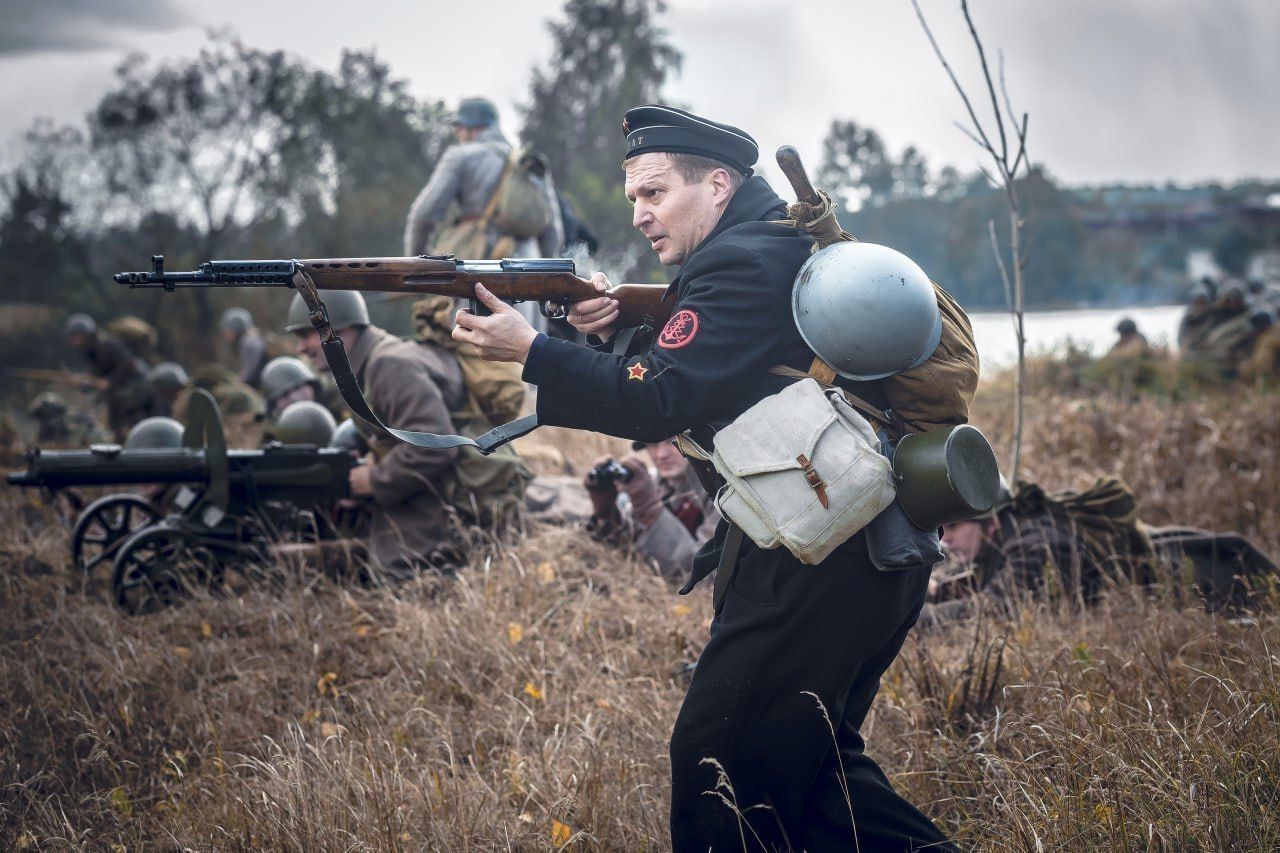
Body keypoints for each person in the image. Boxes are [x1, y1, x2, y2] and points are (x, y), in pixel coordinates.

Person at [450, 104, 951, 851]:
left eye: (655, 194)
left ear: (718, 184)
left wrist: (532, 350)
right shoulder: (764, 247)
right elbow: (711, 368)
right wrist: (615, 327)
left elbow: (660, 394)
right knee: (808, 774)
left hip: (817, 557)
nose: (642, 216)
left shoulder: (741, 261)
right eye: (633, 200)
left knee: (719, 759)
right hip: (852, 546)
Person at [285, 289, 468, 581]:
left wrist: (374, 479)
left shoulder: (389, 365)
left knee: (395, 571)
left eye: (305, 335)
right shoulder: (367, 365)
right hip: (432, 487)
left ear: (340, 330)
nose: (300, 348)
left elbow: (436, 445)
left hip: (454, 495)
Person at [931, 477, 1277, 622]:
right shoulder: (1009, 533)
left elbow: (995, 608)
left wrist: (915, 620)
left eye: (955, 528)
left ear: (991, 520)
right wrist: (932, 593)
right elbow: (989, 582)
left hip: (1204, 581)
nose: (945, 540)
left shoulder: (1036, 546)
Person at [402, 96, 563, 332]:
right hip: (528, 276)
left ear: (470, 129)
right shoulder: (529, 163)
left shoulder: (461, 156)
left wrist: (415, 271)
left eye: (459, 128)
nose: (458, 134)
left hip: (478, 270)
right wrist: (543, 285)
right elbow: (552, 234)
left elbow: (424, 214)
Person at [586, 439, 719, 582]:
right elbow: (630, 553)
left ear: (696, 441)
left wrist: (650, 510)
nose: (661, 455)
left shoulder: (722, 493)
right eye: (653, 444)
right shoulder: (654, 485)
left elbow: (709, 574)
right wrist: (606, 514)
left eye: (673, 442)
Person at [64, 313, 149, 441]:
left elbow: (128, 364)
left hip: (135, 391)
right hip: (117, 399)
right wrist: (81, 383)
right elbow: (95, 383)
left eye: (78, 337)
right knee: (117, 431)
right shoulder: (92, 355)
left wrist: (110, 381)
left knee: (137, 428)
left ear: (88, 335)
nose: (76, 342)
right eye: (73, 338)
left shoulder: (108, 345)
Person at [219, 307, 268, 388]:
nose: (226, 335)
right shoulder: (247, 341)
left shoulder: (248, 343)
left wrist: (235, 384)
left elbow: (249, 373)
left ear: (237, 329)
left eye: (228, 330)